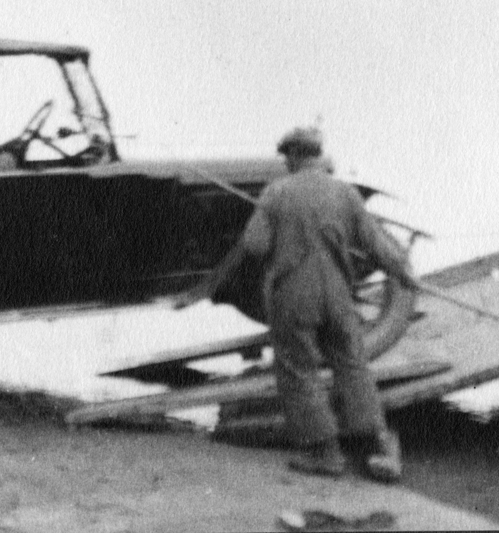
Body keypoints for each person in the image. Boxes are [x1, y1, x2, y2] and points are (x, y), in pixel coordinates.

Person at [180, 126, 419, 482]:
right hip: (339, 295)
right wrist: (405, 277)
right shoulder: (346, 193)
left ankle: (326, 454)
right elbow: (378, 245)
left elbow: (256, 245)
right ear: (318, 154)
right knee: (353, 366)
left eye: (285, 158)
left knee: (298, 370)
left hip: (296, 295)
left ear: (292, 155)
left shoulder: (277, 192)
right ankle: (372, 446)